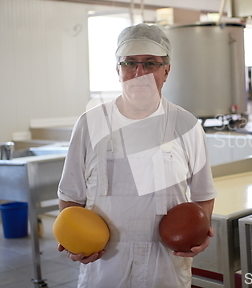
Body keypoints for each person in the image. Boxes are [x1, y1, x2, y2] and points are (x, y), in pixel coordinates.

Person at [56, 23, 216, 288]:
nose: (139, 73)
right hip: (105, 265)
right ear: (117, 70)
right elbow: (70, 197)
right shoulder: (90, 124)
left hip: (164, 266)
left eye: (150, 63)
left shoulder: (186, 125)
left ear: (167, 70)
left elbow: (203, 195)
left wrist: (198, 233)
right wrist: (76, 242)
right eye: (130, 63)